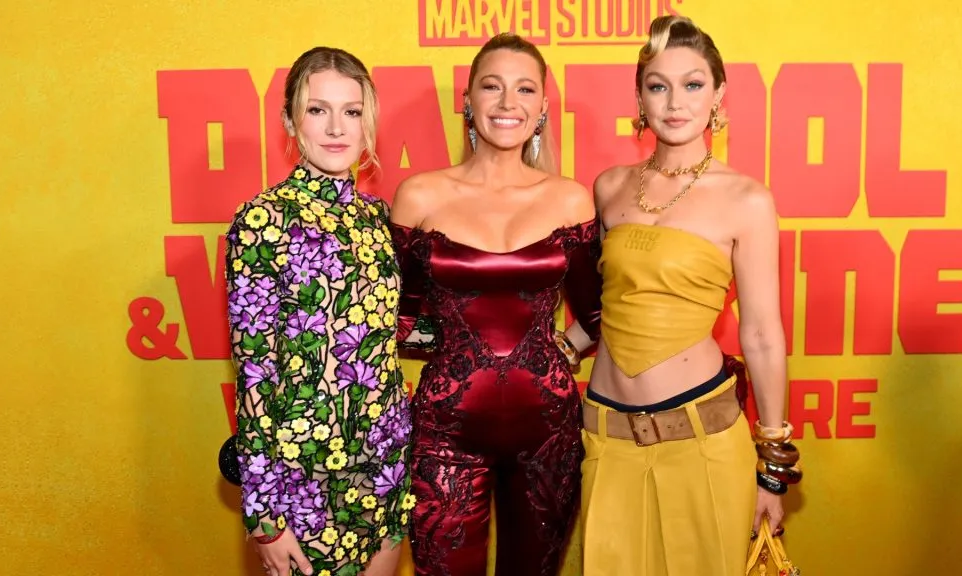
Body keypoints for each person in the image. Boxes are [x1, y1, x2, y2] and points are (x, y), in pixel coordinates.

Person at [580, 15, 803, 576]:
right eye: (658, 85)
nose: (675, 102)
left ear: (719, 93)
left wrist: (771, 466)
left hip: (702, 440)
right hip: (605, 439)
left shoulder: (746, 199)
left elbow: (760, 335)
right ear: (639, 96)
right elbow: (608, 305)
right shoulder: (608, 187)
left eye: (693, 84)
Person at [389, 33, 602, 576]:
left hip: (549, 435)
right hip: (445, 434)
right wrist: (458, 348)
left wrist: (556, 348)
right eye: (493, 86)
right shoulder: (420, 196)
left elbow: (596, 314)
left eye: (524, 89)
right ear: (467, 100)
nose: (508, 103)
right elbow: (397, 320)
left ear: (542, 109)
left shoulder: (571, 199)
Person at [224, 47, 411, 576]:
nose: (337, 128)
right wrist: (264, 516)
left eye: (352, 112)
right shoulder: (262, 220)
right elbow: (255, 373)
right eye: (317, 109)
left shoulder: (376, 218)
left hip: (384, 468)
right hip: (303, 485)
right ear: (290, 120)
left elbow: (382, 336)